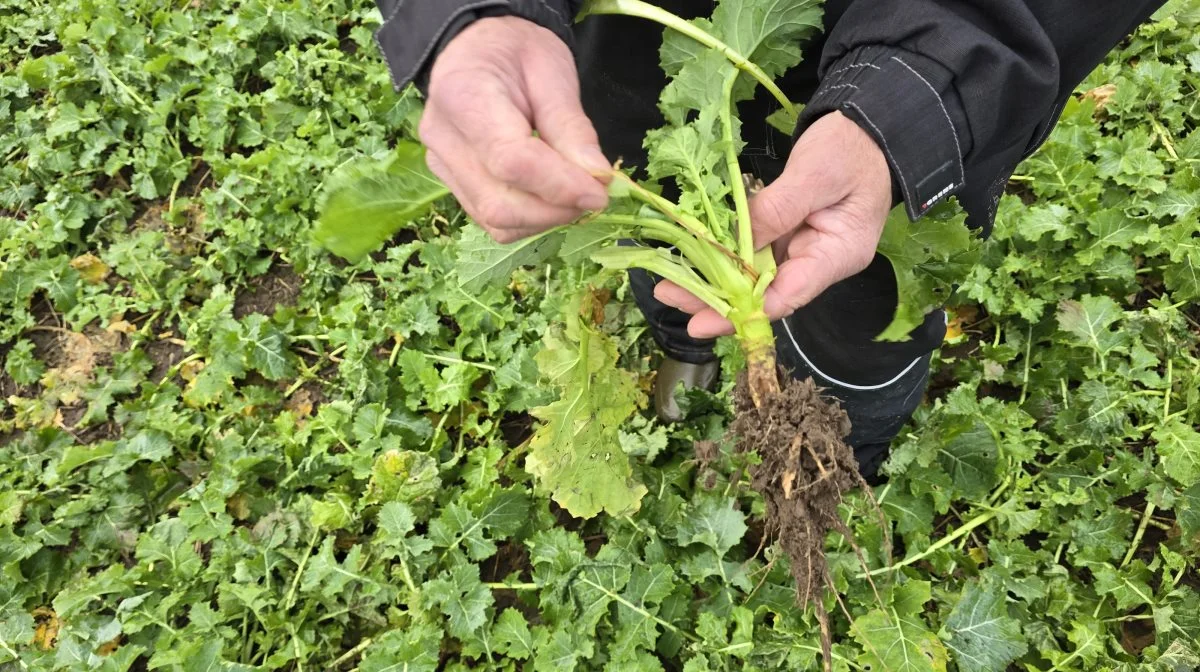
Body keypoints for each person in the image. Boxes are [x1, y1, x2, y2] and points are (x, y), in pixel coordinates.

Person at [372, 0, 1164, 477]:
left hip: (911, 84)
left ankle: (845, 458)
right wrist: (477, 14)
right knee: (660, 206)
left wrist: (909, 98)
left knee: (863, 308)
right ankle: (688, 352)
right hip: (628, 56)